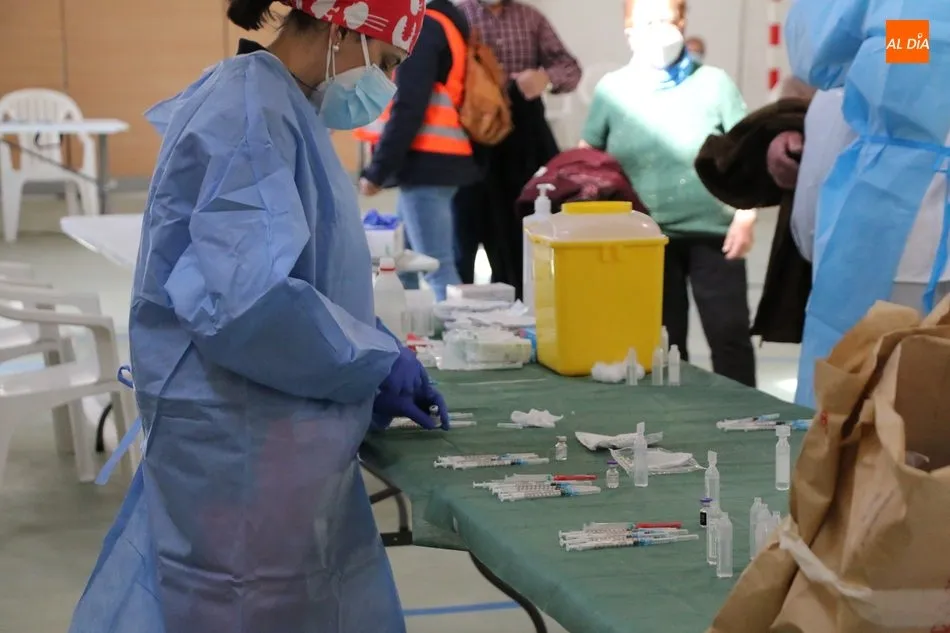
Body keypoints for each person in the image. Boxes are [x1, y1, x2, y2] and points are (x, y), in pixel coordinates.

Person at [66, 2, 450, 632]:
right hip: (238, 438)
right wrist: (370, 361)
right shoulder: (252, 116)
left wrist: (373, 342)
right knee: (242, 605)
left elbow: (299, 273)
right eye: (385, 62)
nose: (386, 84)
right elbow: (248, 303)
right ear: (342, 29)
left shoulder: (279, 107)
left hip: (264, 431)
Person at [582, 0, 757, 387]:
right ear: (629, 32)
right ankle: (672, 417)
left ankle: (748, 417)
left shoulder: (714, 83)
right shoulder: (613, 90)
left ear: (683, 23)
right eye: (647, 22)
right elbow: (587, 159)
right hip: (642, 240)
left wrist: (747, 216)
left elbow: (748, 152)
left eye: (666, 20)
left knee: (729, 335)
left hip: (716, 234)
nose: (657, 30)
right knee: (663, 343)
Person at [786, 0, 950, 407]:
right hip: (891, 226)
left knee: (872, 390)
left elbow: (819, 50)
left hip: (888, 222)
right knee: (871, 390)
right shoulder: (908, 26)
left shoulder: (907, 25)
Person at [453, 0, 581, 297]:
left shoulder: (530, 18)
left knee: (521, 229)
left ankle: (523, 304)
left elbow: (570, 68)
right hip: (470, 135)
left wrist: (544, 78)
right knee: (465, 232)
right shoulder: (459, 16)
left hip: (522, 139)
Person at [356, 0, 480, 300]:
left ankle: (459, 328)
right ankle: (407, 327)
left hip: (427, 163)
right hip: (436, 162)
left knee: (437, 267)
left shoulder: (424, 28)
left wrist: (377, 171)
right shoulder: (446, 23)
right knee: (404, 264)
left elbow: (409, 105)